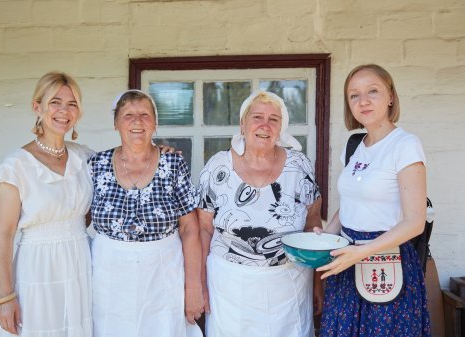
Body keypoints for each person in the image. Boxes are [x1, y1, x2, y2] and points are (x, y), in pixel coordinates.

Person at [316, 64, 431, 336]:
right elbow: (350, 204)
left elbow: (415, 222)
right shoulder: (354, 145)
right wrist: (326, 236)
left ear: (390, 96)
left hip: (387, 263)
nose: (363, 101)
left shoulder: (405, 145)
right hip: (347, 261)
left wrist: (361, 252)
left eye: (373, 91)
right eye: (354, 95)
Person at [197, 90, 323, 337]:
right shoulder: (217, 166)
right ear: (242, 124)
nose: (265, 125)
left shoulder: (299, 166)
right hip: (230, 286)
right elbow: (203, 229)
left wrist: (318, 284)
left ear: (281, 127)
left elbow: (313, 226)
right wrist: (199, 284)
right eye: (257, 117)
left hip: (290, 285)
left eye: (274, 119)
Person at [88, 89, 204, 337]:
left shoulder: (173, 164)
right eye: (128, 114)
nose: (137, 121)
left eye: (144, 114)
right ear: (116, 123)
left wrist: (193, 287)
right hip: (108, 276)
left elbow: (190, 228)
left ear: (155, 122)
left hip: (162, 272)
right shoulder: (96, 164)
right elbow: (78, 219)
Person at [0, 72, 94, 336]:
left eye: (72, 104)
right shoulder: (16, 166)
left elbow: (124, 165)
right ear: (37, 107)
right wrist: (5, 298)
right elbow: (4, 236)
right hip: (37, 266)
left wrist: (157, 152)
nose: (64, 111)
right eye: (55, 102)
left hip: (80, 262)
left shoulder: (83, 157)